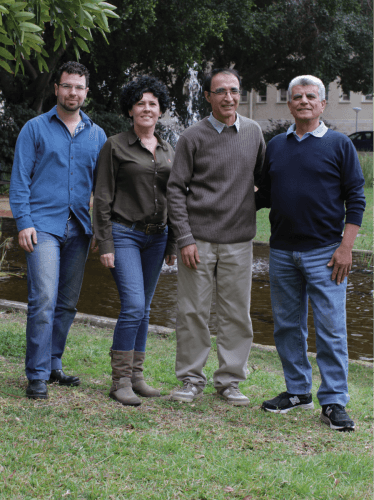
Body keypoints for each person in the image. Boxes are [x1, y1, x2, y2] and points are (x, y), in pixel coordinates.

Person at [256, 75, 366, 431]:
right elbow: (262, 196)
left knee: (331, 329)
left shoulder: (338, 144)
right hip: (283, 252)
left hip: (326, 253)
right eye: (297, 97)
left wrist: (346, 247)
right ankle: (297, 391)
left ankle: (333, 401)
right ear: (290, 105)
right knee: (288, 326)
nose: (304, 101)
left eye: (310, 96)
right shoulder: (276, 146)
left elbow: (356, 199)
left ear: (322, 104)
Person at [167, 68, 265, 406]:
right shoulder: (192, 137)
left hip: (239, 240)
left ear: (240, 93)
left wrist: (247, 204)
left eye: (234, 90)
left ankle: (230, 381)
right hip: (198, 241)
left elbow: (264, 178)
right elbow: (176, 190)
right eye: (220, 91)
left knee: (237, 313)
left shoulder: (254, 132)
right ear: (207, 96)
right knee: (193, 311)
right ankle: (191, 380)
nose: (228, 97)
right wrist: (185, 238)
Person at [9, 61, 107, 399]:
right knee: (44, 298)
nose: (73, 92)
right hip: (43, 227)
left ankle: (53, 364)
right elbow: (19, 181)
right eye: (67, 86)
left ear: (86, 92)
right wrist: (24, 223)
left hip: (79, 228)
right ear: (56, 89)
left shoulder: (97, 135)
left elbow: (103, 189)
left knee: (66, 302)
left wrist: (100, 230)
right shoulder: (35, 129)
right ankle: (36, 374)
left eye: (79, 87)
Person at [93, 76, 176, 407]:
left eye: (152, 103)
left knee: (145, 309)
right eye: (140, 103)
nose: (146, 108)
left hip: (158, 238)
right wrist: (106, 243)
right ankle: (120, 381)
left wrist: (172, 244)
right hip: (124, 233)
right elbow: (102, 197)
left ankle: (137, 377)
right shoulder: (115, 145)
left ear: (160, 111)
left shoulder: (170, 150)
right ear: (130, 109)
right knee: (134, 306)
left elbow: (175, 199)